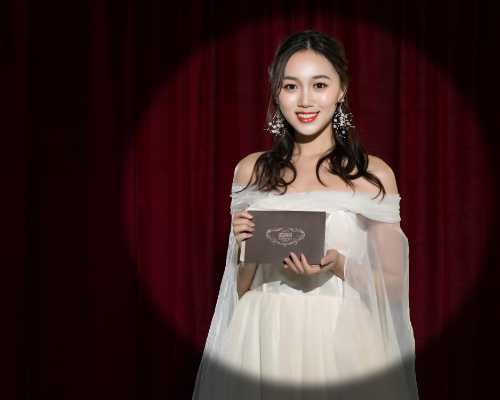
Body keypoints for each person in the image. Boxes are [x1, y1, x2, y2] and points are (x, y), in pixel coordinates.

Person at [192, 30, 419, 399]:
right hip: (263, 333)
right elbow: (240, 286)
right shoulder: (251, 171)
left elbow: (393, 287)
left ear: (341, 90)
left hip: (340, 337)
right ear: (277, 93)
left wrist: (338, 264)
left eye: (320, 85)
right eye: (291, 86)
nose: (305, 100)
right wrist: (244, 246)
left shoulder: (371, 175)